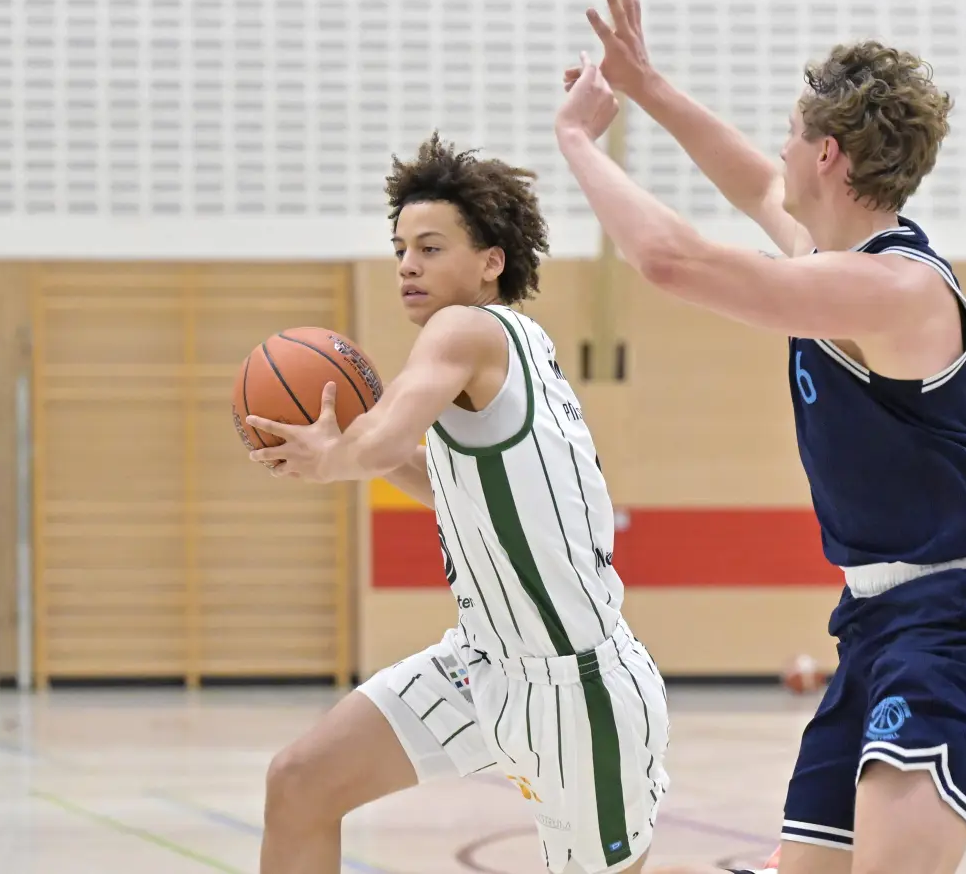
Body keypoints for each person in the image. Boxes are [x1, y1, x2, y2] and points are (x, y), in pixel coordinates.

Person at [555, 0, 966, 873]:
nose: (777, 149)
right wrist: (647, 85)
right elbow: (749, 179)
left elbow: (668, 260)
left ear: (825, 153)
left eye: (790, 131)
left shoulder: (893, 289)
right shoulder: (834, 262)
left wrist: (578, 141)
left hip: (955, 617)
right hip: (877, 617)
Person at [245, 133, 671, 874]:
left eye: (431, 247)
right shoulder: (515, 348)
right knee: (301, 783)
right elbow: (436, 476)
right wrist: (350, 449)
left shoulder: (465, 329)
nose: (407, 264)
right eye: (400, 248)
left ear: (490, 263)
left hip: (578, 690)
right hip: (480, 665)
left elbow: (381, 443)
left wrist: (332, 456)